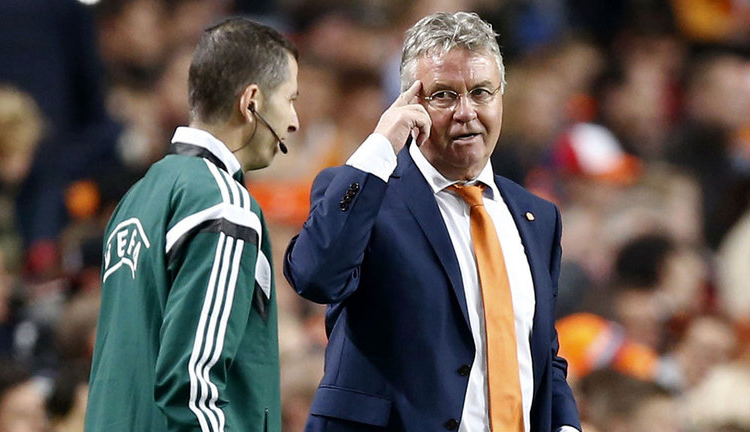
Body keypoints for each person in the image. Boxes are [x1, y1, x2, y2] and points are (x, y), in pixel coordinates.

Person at [284, 11, 581, 432]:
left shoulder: (538, 216)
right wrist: (380, 146)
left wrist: (565, 425)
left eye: (481, 92)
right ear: (409, 105)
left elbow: (540, 353)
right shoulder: (365, 193)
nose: (466, 112)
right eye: (444, 95)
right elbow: (315, 277)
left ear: (501, 98)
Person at [85, 17, 299, 432]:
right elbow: (193, 384)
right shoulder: (224, 204)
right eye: (290, 99)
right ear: (251, 102)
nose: (294, 121)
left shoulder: (138, 196)